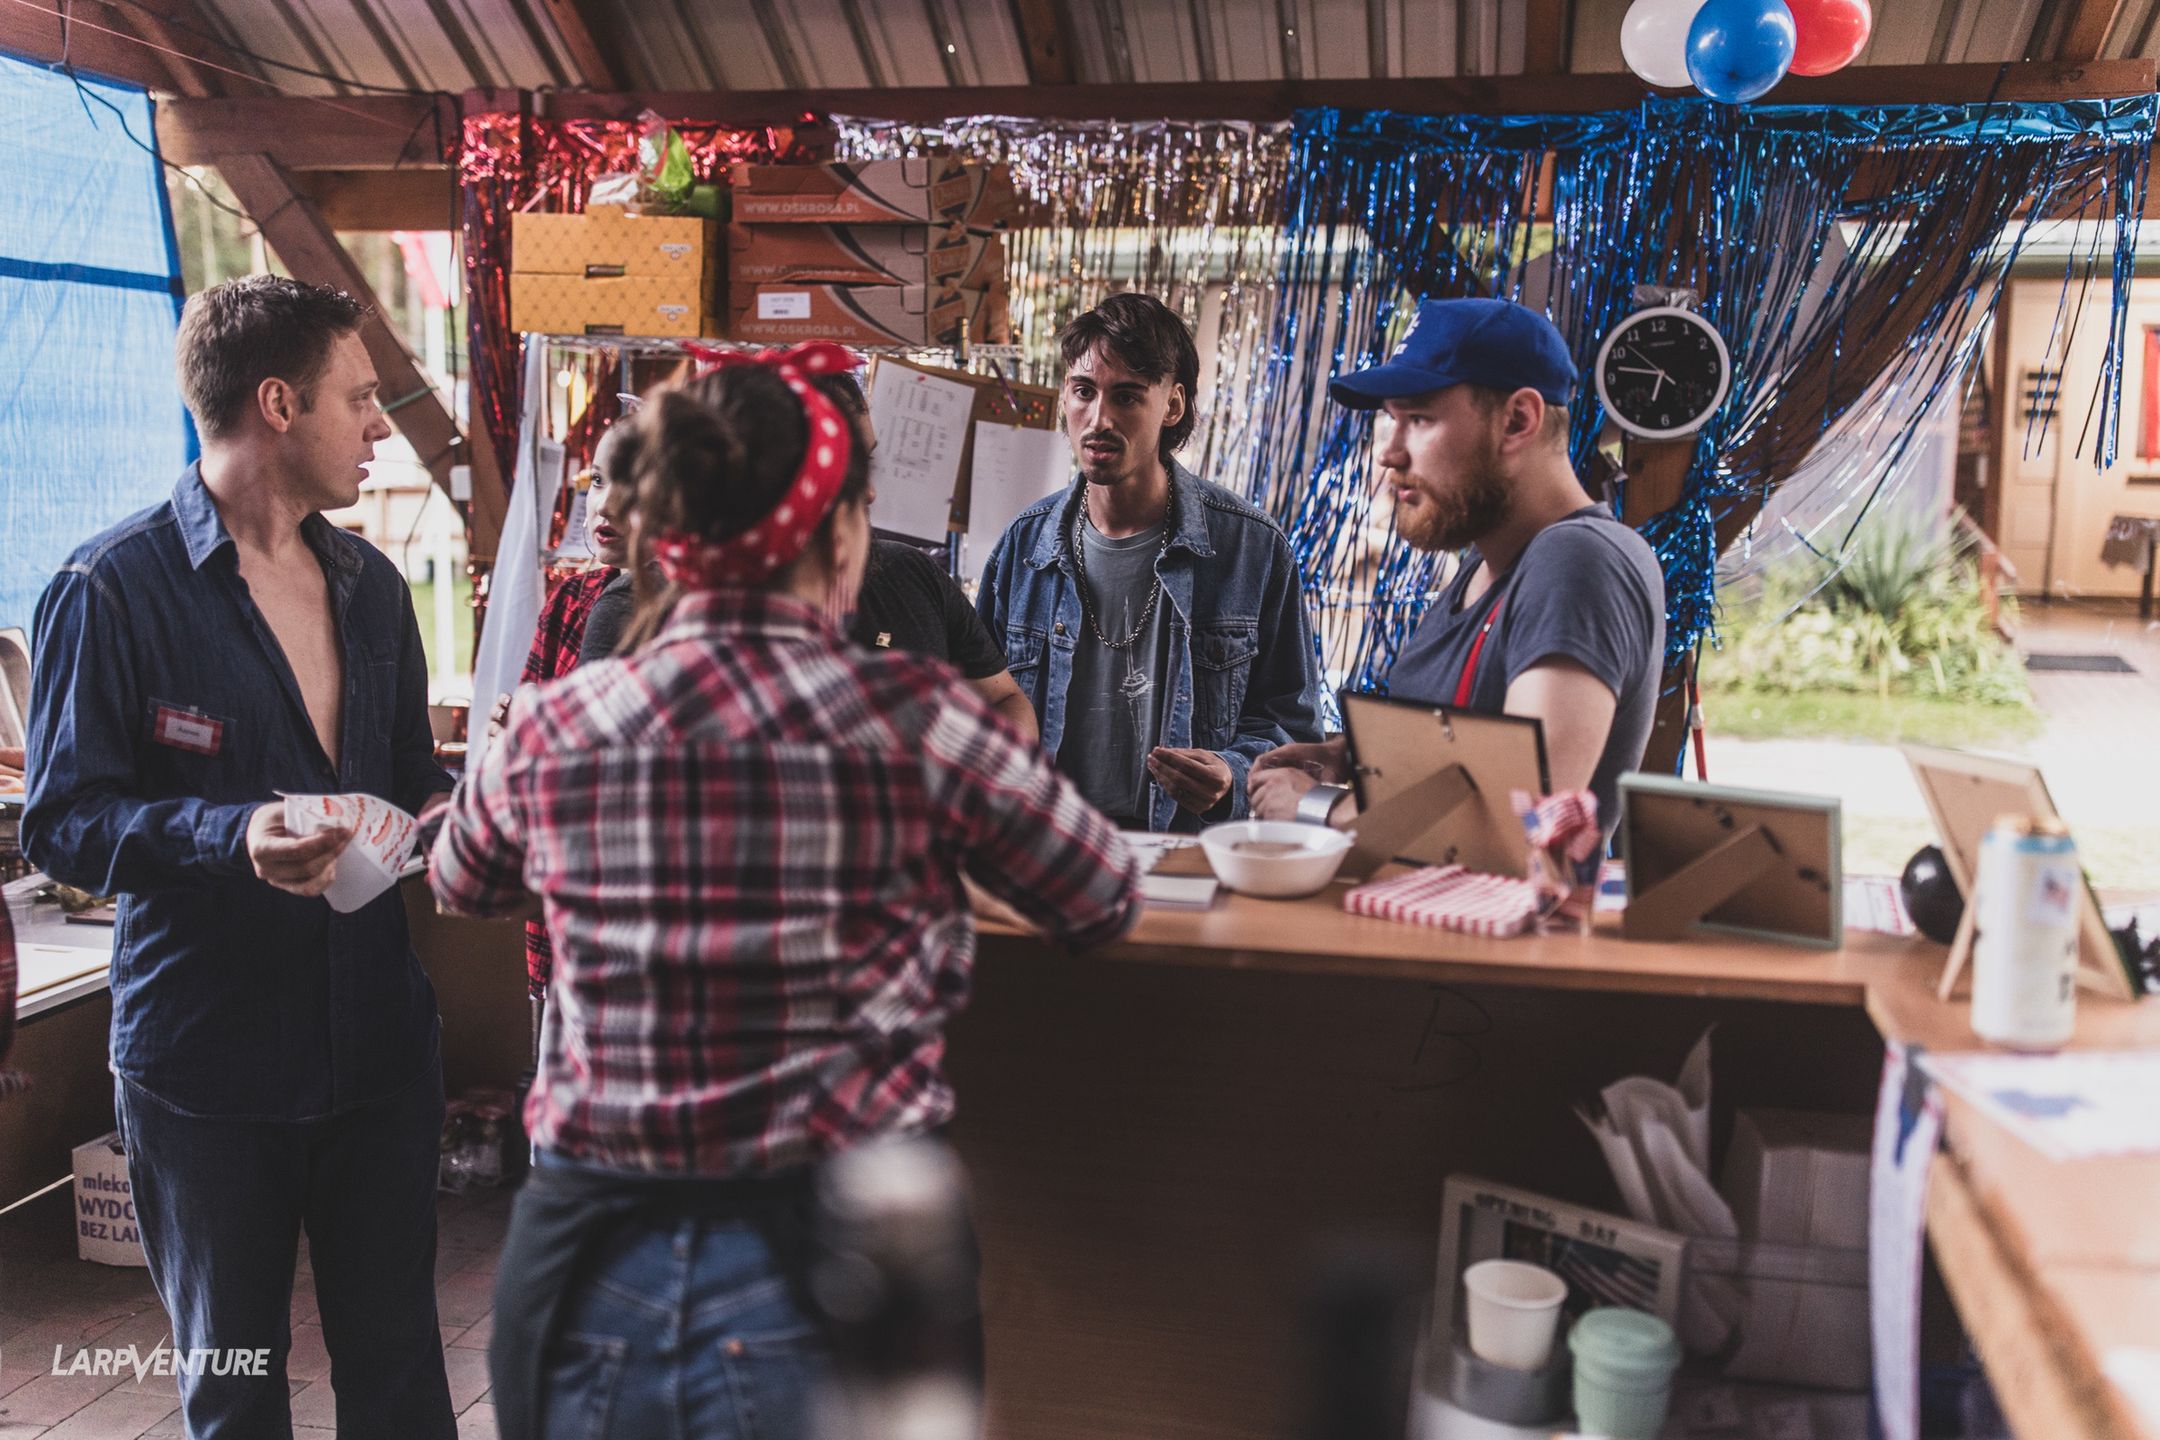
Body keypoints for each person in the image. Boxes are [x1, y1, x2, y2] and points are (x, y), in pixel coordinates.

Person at [429, 344, 1142, 1440]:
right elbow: (1099, 895)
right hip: (841, 1250)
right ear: (843, 531)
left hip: (589, 1252)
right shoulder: (918, 719)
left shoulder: (566, 721)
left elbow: (462, 878)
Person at [23, 275, 456, 1437]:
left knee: (403, 1378)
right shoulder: (105, 589)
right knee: (234, 1387)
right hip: (206, 1073)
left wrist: (465, 814)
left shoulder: (370, 590)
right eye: (359, 398)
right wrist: (230, 835)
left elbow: (412, 774)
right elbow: (62, 823)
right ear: (277, 402)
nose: (379, 424)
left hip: (377, 1054)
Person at [1249, 297, 1666, 844]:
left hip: (1499, 929)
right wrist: (1349, 758)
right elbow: (1467, 752)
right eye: (1391, 421)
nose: (1390, 454)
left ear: (1518, 420)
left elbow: (1520, 824)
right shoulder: (1485, 566)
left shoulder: (1579, 561)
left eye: (1419, 419)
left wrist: (1323, 807)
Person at [975, 293, 1322, 831]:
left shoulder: (1249, 548)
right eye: (1083, 392)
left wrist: (1230, 775)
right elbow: (978, 710)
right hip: (1047, 849)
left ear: (1173, 406)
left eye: (1128, 397)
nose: (1099, 419)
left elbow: (1293, 728)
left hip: (1188, 849)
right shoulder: (1023, 550)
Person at [811, 372, 1039, 742]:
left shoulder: (909, 573)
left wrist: (990, 780)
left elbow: (1005, 698)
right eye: (844, 467)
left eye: (867, 463)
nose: (869, 492)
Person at [507, 423, 634, 1045]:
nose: (606, 504)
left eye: (635, 484)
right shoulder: (574, 598)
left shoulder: (701, 614)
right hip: (566, 932)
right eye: (602, 479)